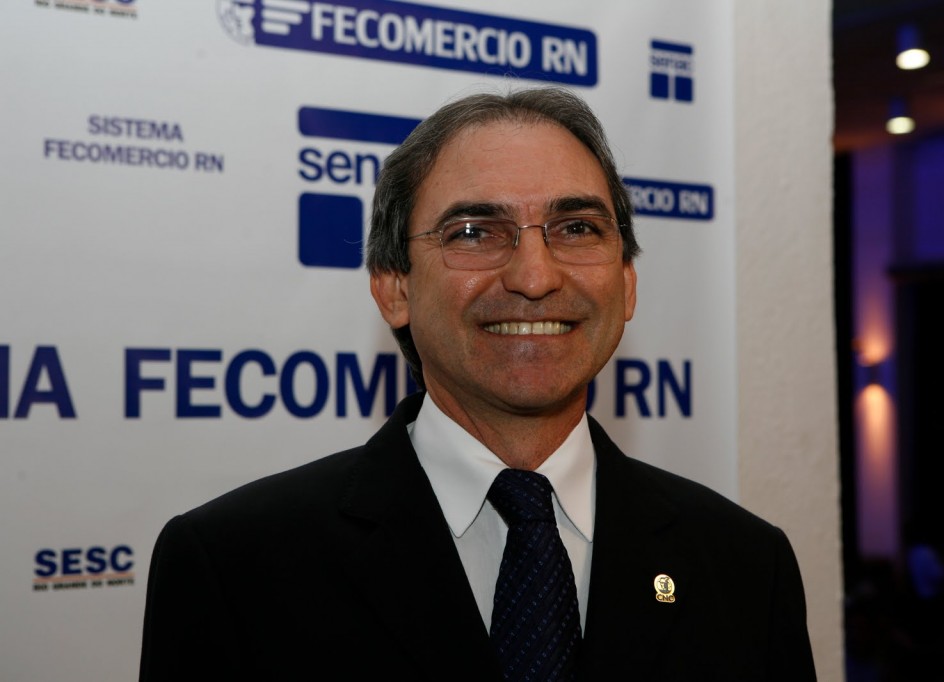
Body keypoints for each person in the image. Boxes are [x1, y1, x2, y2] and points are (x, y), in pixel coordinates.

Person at [139, 87, 816, 681]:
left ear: (627, 282)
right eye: (474, 232)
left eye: (577, 228)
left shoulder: (746, 566)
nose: (535, 276)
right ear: (394, 287)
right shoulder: (232, 566)